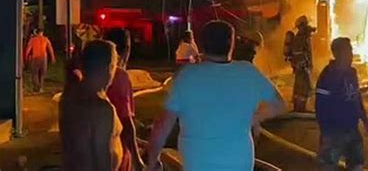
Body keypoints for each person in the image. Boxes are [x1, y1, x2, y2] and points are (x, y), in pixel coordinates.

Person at [147, 20, 286, 171]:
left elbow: (162, 126)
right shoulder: (248, 72)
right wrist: (250, 119)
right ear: (232, 44)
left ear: (201, 44)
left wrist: (152, 161)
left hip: (198, 162)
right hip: (239, 162)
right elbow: (279, 104)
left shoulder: (186, 76)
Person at [59, 40, 123, 171]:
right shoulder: (101, 108)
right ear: (109, 67)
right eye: (115, 65)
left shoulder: (69, 96)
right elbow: (102, 159)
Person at [315, 37, 368, 171]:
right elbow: (320, 106)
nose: (352, 55)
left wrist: (365, 120)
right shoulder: (327, 75)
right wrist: (326, 132)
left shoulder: (352, 73)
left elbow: (356, 97)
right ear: (338, 53)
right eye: (349, 51)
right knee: (328, 165)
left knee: (357, 163)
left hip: (352, 128)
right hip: (334, 131)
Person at [104, 28, 145, 171]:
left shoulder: (91, 75)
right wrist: (137, 159)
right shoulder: (120, 76)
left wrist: (140, 142)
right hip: (117, 151)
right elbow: (125, 122)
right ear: (127, 48)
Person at [283, 15, 316, 112]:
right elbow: (298, 53)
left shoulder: (304, 37)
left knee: (302, 88)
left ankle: (300, 108)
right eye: (305, 25)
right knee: (302, 88)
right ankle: (299, 108)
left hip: (302, 67)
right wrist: (304, 65)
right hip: (302, 67)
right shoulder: (300, 38)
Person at [25, 28, 56, 92]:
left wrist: (26, 56)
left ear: (36, 33)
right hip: (43, 58)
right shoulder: (46, 39)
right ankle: (41, 87)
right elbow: (50, 49)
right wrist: (52, 57)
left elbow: (28, 49)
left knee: (35, 73)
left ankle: (37, 86)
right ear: (42, 33)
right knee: (42, 73)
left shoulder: (33, 40)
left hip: (35, 57)